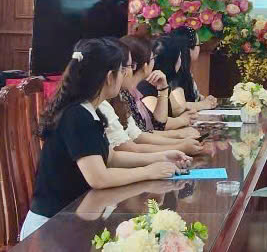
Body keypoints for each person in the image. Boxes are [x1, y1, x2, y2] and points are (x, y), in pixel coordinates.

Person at [19, 39, 190, 241]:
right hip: (51, 227)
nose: (126, 75)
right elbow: (99, 178)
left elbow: (111, 157)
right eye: (122, 70)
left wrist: (162, 157)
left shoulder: (91, 111)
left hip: (74, 219)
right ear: (110, 77)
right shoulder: (77, 115)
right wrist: (148, 171)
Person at [99, 37, 202, 155]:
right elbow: (132, 144)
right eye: (128, 66)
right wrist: (179, 145)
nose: (128, 72)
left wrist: (179, 140)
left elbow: (139, 134)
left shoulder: (124, 94)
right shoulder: (116, 97)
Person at [168, 26, 217, 112]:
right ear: (188, 48)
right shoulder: (175, 72)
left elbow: (192, 97)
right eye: (198, 45)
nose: (199, 48)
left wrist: (204, 99)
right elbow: (179, 105)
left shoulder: (186, 71)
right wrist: (203, 105)